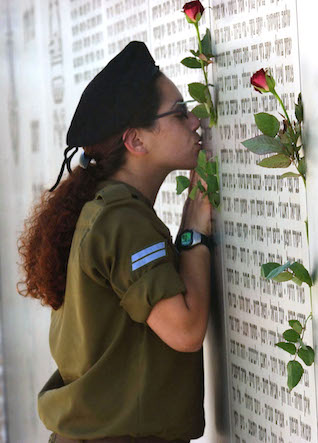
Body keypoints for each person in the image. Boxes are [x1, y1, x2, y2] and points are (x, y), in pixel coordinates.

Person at [17, 41, 212, 442]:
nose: (195, 122)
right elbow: (186, 329)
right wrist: (194, 231)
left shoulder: (106, 210)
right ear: (136, 141)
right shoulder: (121, 219)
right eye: (179, 113)